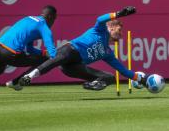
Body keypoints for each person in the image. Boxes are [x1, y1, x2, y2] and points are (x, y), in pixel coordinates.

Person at [17, 6, 147, 91]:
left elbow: (123, 71)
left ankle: (93, 84)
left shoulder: (108, 52)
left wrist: (143, 80)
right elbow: (100, 19)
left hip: (73, 67)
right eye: (119, 30)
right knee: (56, 59)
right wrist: (119, 14)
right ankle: (29, 76)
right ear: (111, 27)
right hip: (71, 50)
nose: (121, 33)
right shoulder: (100, 30)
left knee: (109, 77)